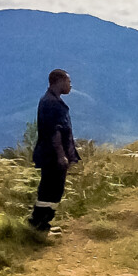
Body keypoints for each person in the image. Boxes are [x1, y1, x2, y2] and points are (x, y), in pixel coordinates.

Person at [27, 68, 80, 234]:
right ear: (60, 81)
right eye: (69, 82)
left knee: (53, 189)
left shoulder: (51, 100)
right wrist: (61, 155)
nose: (71, 85)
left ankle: (42, 224)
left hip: (51, 155)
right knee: (50, 190)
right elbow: (54, 132)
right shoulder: (51, 103)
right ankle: (39, 225)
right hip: (52, 156)